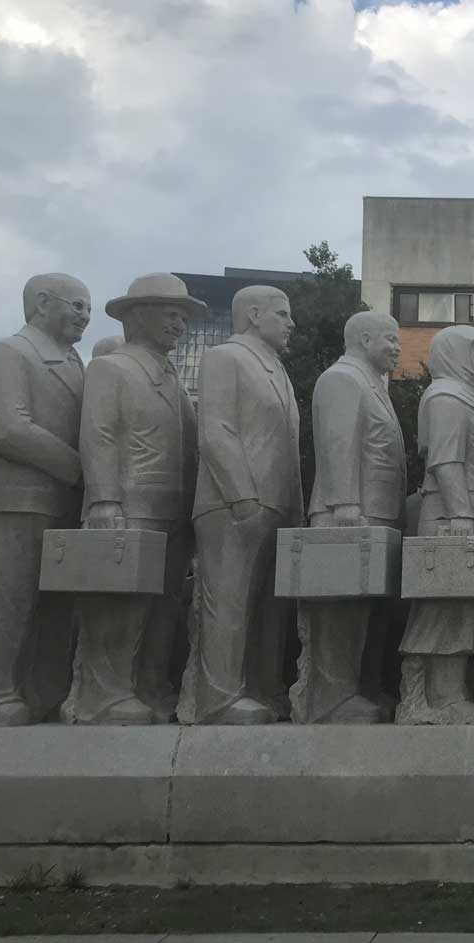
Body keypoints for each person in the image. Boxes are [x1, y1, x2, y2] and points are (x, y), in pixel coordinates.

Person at [0, 274, 92, 726]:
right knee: (4, 599)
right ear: (42, 302)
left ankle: (42, 694)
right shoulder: (8, 351)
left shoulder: (75, 363)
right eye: (77, 305)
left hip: (65, 503)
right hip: (15, 499)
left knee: (56, 606)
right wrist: (79, 467)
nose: (85, 316)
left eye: (87, 308)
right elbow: (11, 430)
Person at [65, 273, 204, 724]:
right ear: (139, 314)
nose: (180, 324)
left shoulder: (172, 377)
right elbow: (99, 435)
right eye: (171, 314)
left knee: (163, 607)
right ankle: (103, 695)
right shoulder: (112, 368)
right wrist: (105, 501)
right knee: (117, 605)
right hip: (127, 506)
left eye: (183, 316)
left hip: (172, 510)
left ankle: (147, 685)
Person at [178, 285, 301, 725]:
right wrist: (242, 496)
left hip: (275, 505)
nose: (291, 324)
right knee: (226, 601)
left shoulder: (276, 369)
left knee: (268, 607)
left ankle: (263, 687)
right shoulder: (225, 358)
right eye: (283, 314)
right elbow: (216, 431)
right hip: (233, 504)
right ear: (253, 314)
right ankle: (218, 698)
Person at [292, 311, 406, 724]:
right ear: (362, 339)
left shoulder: (375, 385)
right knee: (340, 610)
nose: (397, 348)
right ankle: (329, 698)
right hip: (349, 514)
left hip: (375, 513)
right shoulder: (342, 379)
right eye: (390, 340)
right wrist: (344, 506)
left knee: (365, 611)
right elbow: (338, 444)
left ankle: (358, 689)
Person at [397, 325, 474, 725]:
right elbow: (445, 461)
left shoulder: (467, 398)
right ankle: (438, 697)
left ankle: (457, 691)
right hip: (453, 517)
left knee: (465, 606)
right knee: (446, 606)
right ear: (456, 355)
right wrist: (461, 515)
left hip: (473, 512)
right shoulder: (445, 397)